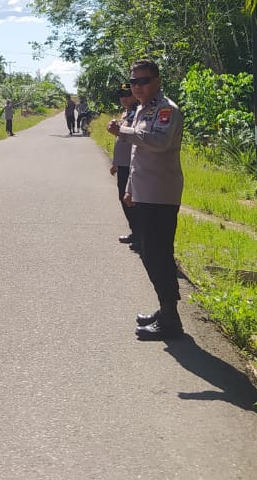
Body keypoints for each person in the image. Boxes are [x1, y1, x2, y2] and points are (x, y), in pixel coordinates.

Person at [108, 59, 185, 341]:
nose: (137, 87)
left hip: (161, 193)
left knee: (158, 254)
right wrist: (129, 188)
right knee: (151, 253)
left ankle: (171, 319)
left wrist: (123, 132)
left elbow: (158, 142)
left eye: (144, 81)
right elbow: (136, 157)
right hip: (144, 191)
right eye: (133, 82)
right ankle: (165, 311)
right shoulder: (141, 109)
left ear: (158, 80)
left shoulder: (166, 110)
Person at [109, 83, 140, 250]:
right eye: (121, 94)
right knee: (124, 198)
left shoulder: (139, 113)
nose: (123, 97)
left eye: (127, 94)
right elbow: (119, 139)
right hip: (122, 164)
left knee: (131, 201)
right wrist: (115, 163)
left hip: (132, 165)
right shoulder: (126, 113)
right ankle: (135, 233)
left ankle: (140, 236)